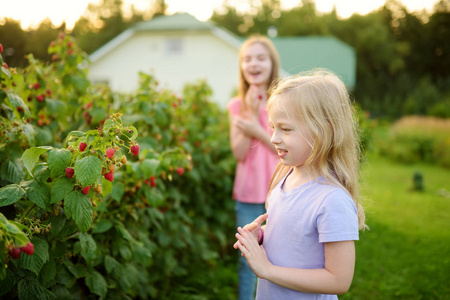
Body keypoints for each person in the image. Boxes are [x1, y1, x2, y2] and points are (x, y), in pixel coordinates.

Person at [233, 69, 367, 299]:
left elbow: (339, 279)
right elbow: (297, 237)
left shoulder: (332, 200)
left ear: (323, 132)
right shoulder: (286, 176)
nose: (273, 138)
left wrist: (268, 270)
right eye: (273, 127)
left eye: (285, 129)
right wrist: (263, 236)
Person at [227, 35, 281, 300]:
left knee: (280, 256)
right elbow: (238, 152)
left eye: (261, 58)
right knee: (248, 259)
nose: (253, 64)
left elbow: (286, 150)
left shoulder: (281, 102)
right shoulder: (237, 106)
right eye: (247, 59)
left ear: (272, 63)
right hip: (248, 194)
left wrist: (257, 130)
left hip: (280, 190)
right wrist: (249, 112)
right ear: (241, 66)